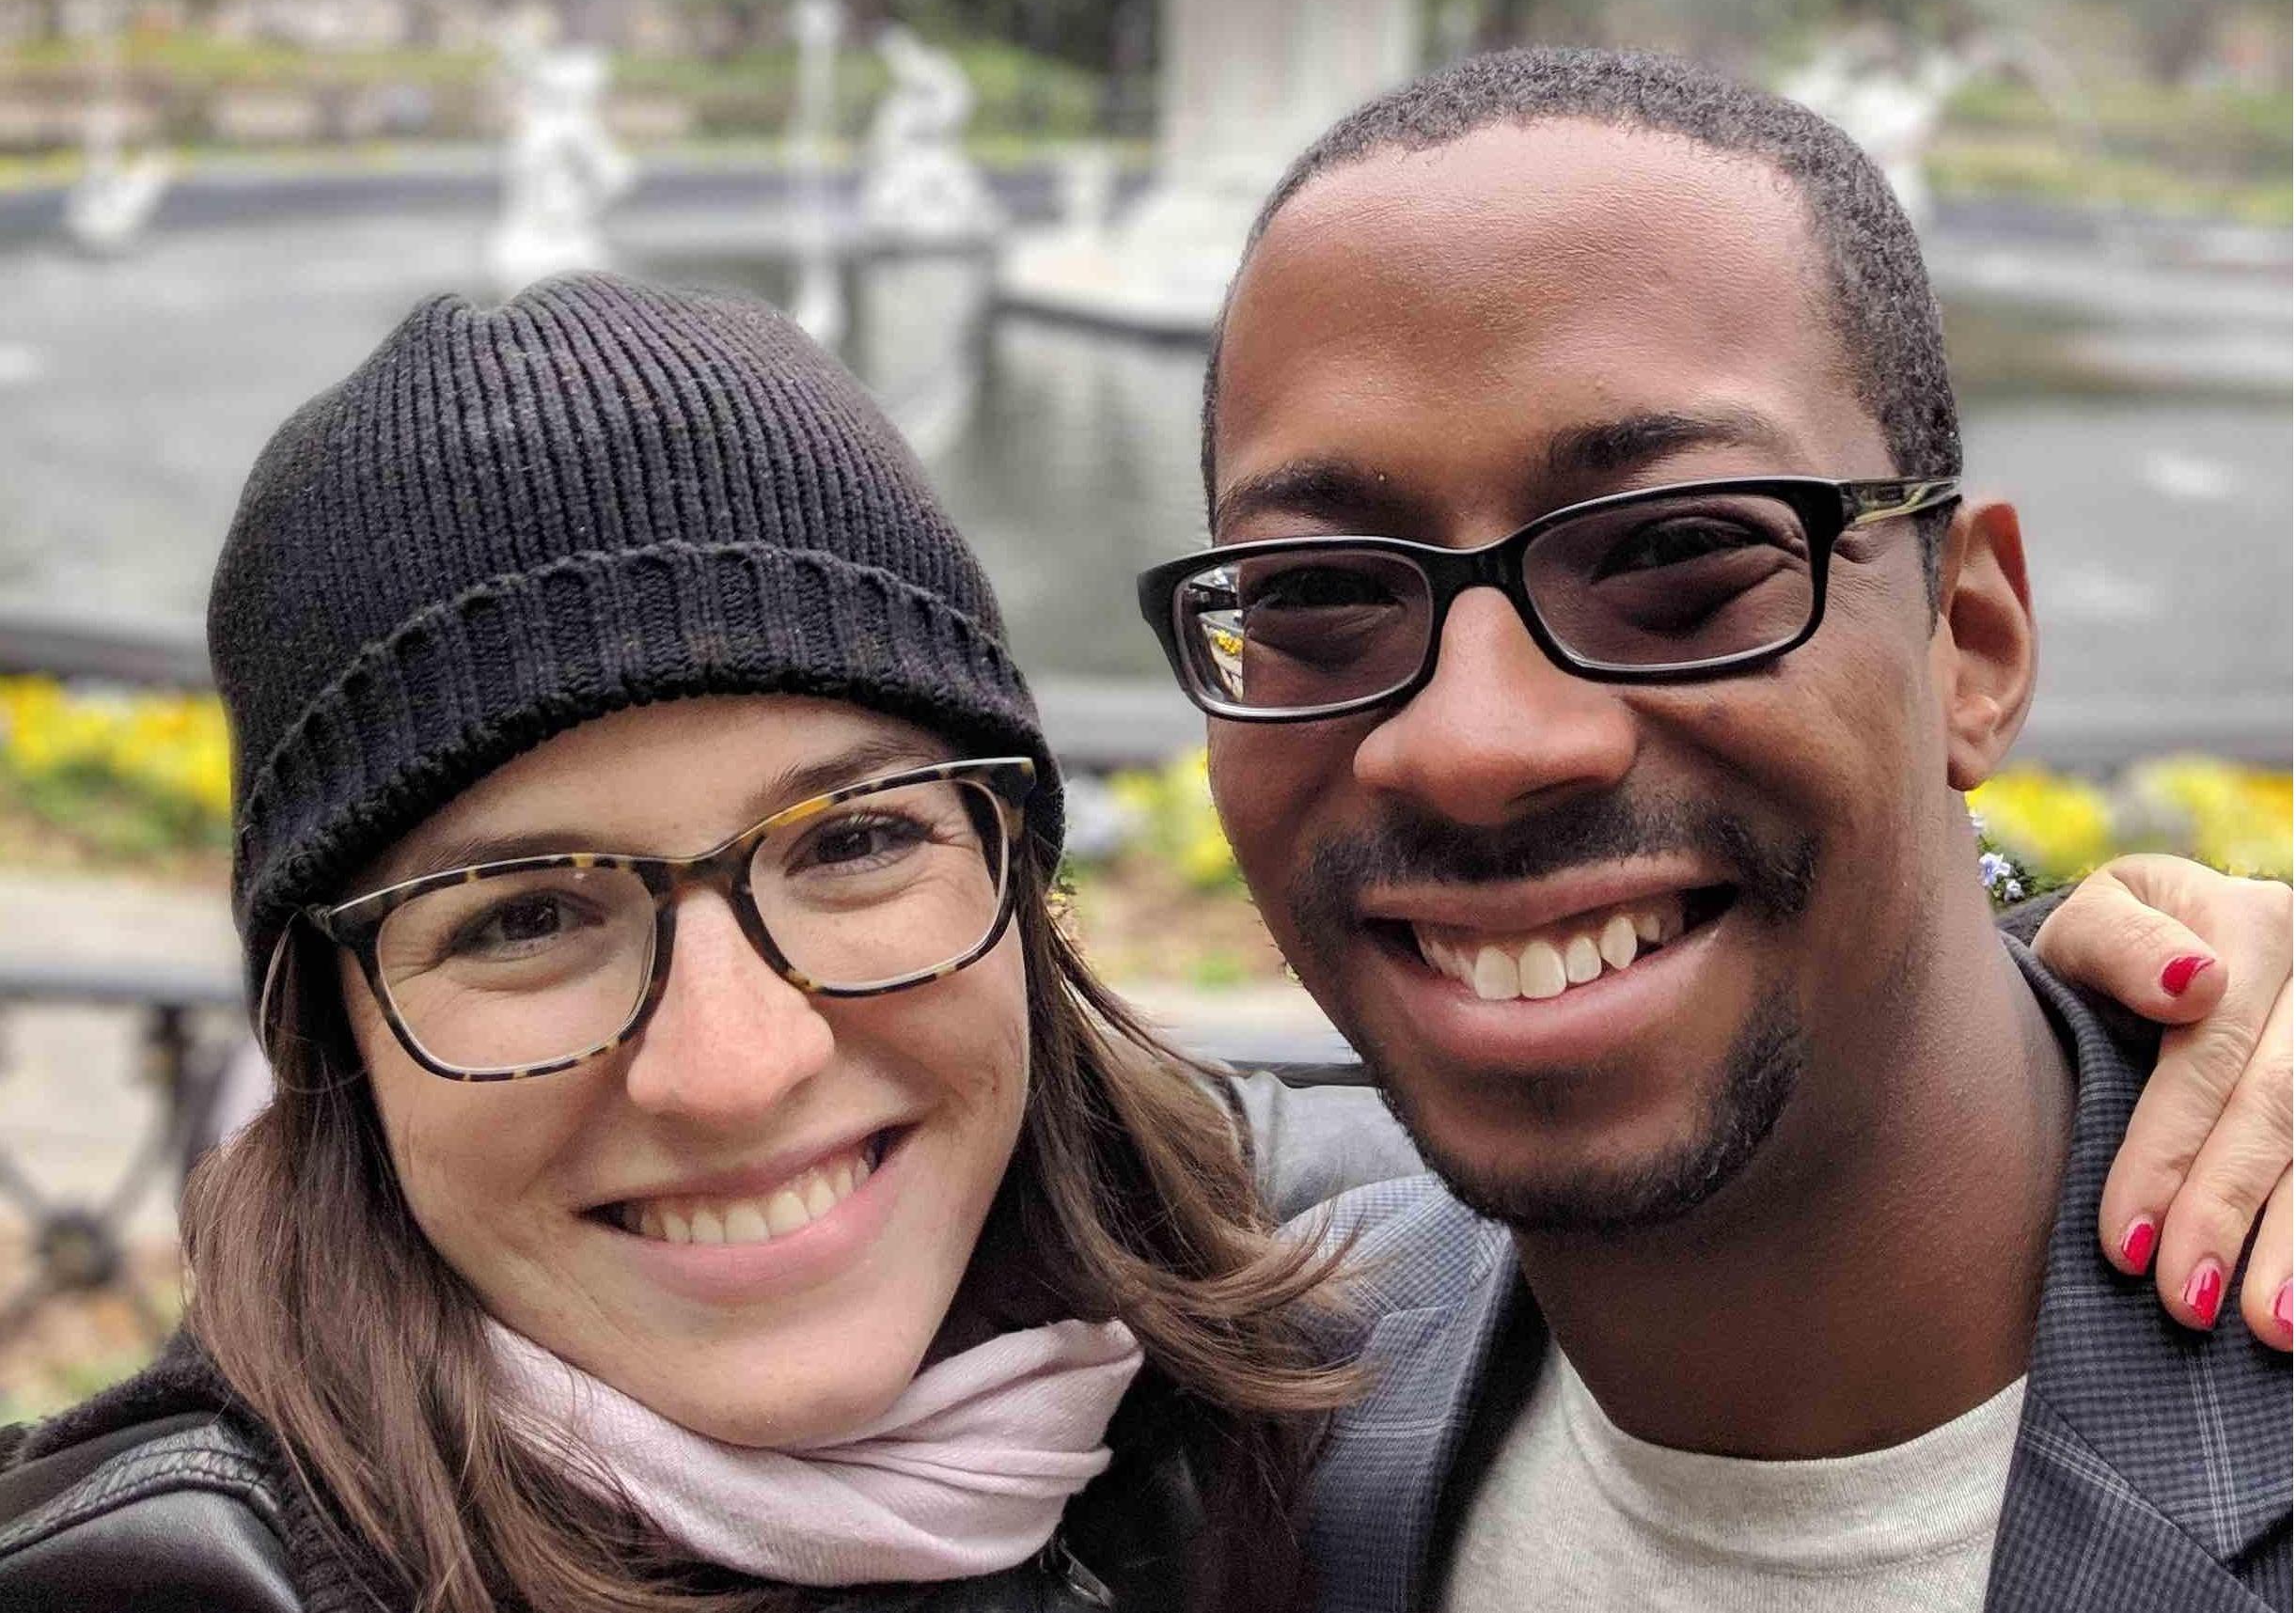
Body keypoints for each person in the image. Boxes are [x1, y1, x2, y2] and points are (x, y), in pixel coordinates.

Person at [0, 274, 1367, 1613]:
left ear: (1012, 864)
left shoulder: (1288, 1356)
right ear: (333, 1031)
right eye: (524, 917)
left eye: (851, 841)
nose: (736, 1068)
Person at [1144, 45, 2292, 1611]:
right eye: (1312, 593)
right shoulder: (1254, 1400)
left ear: (1972, 637)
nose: (1477, 744)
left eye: (1680, 555)